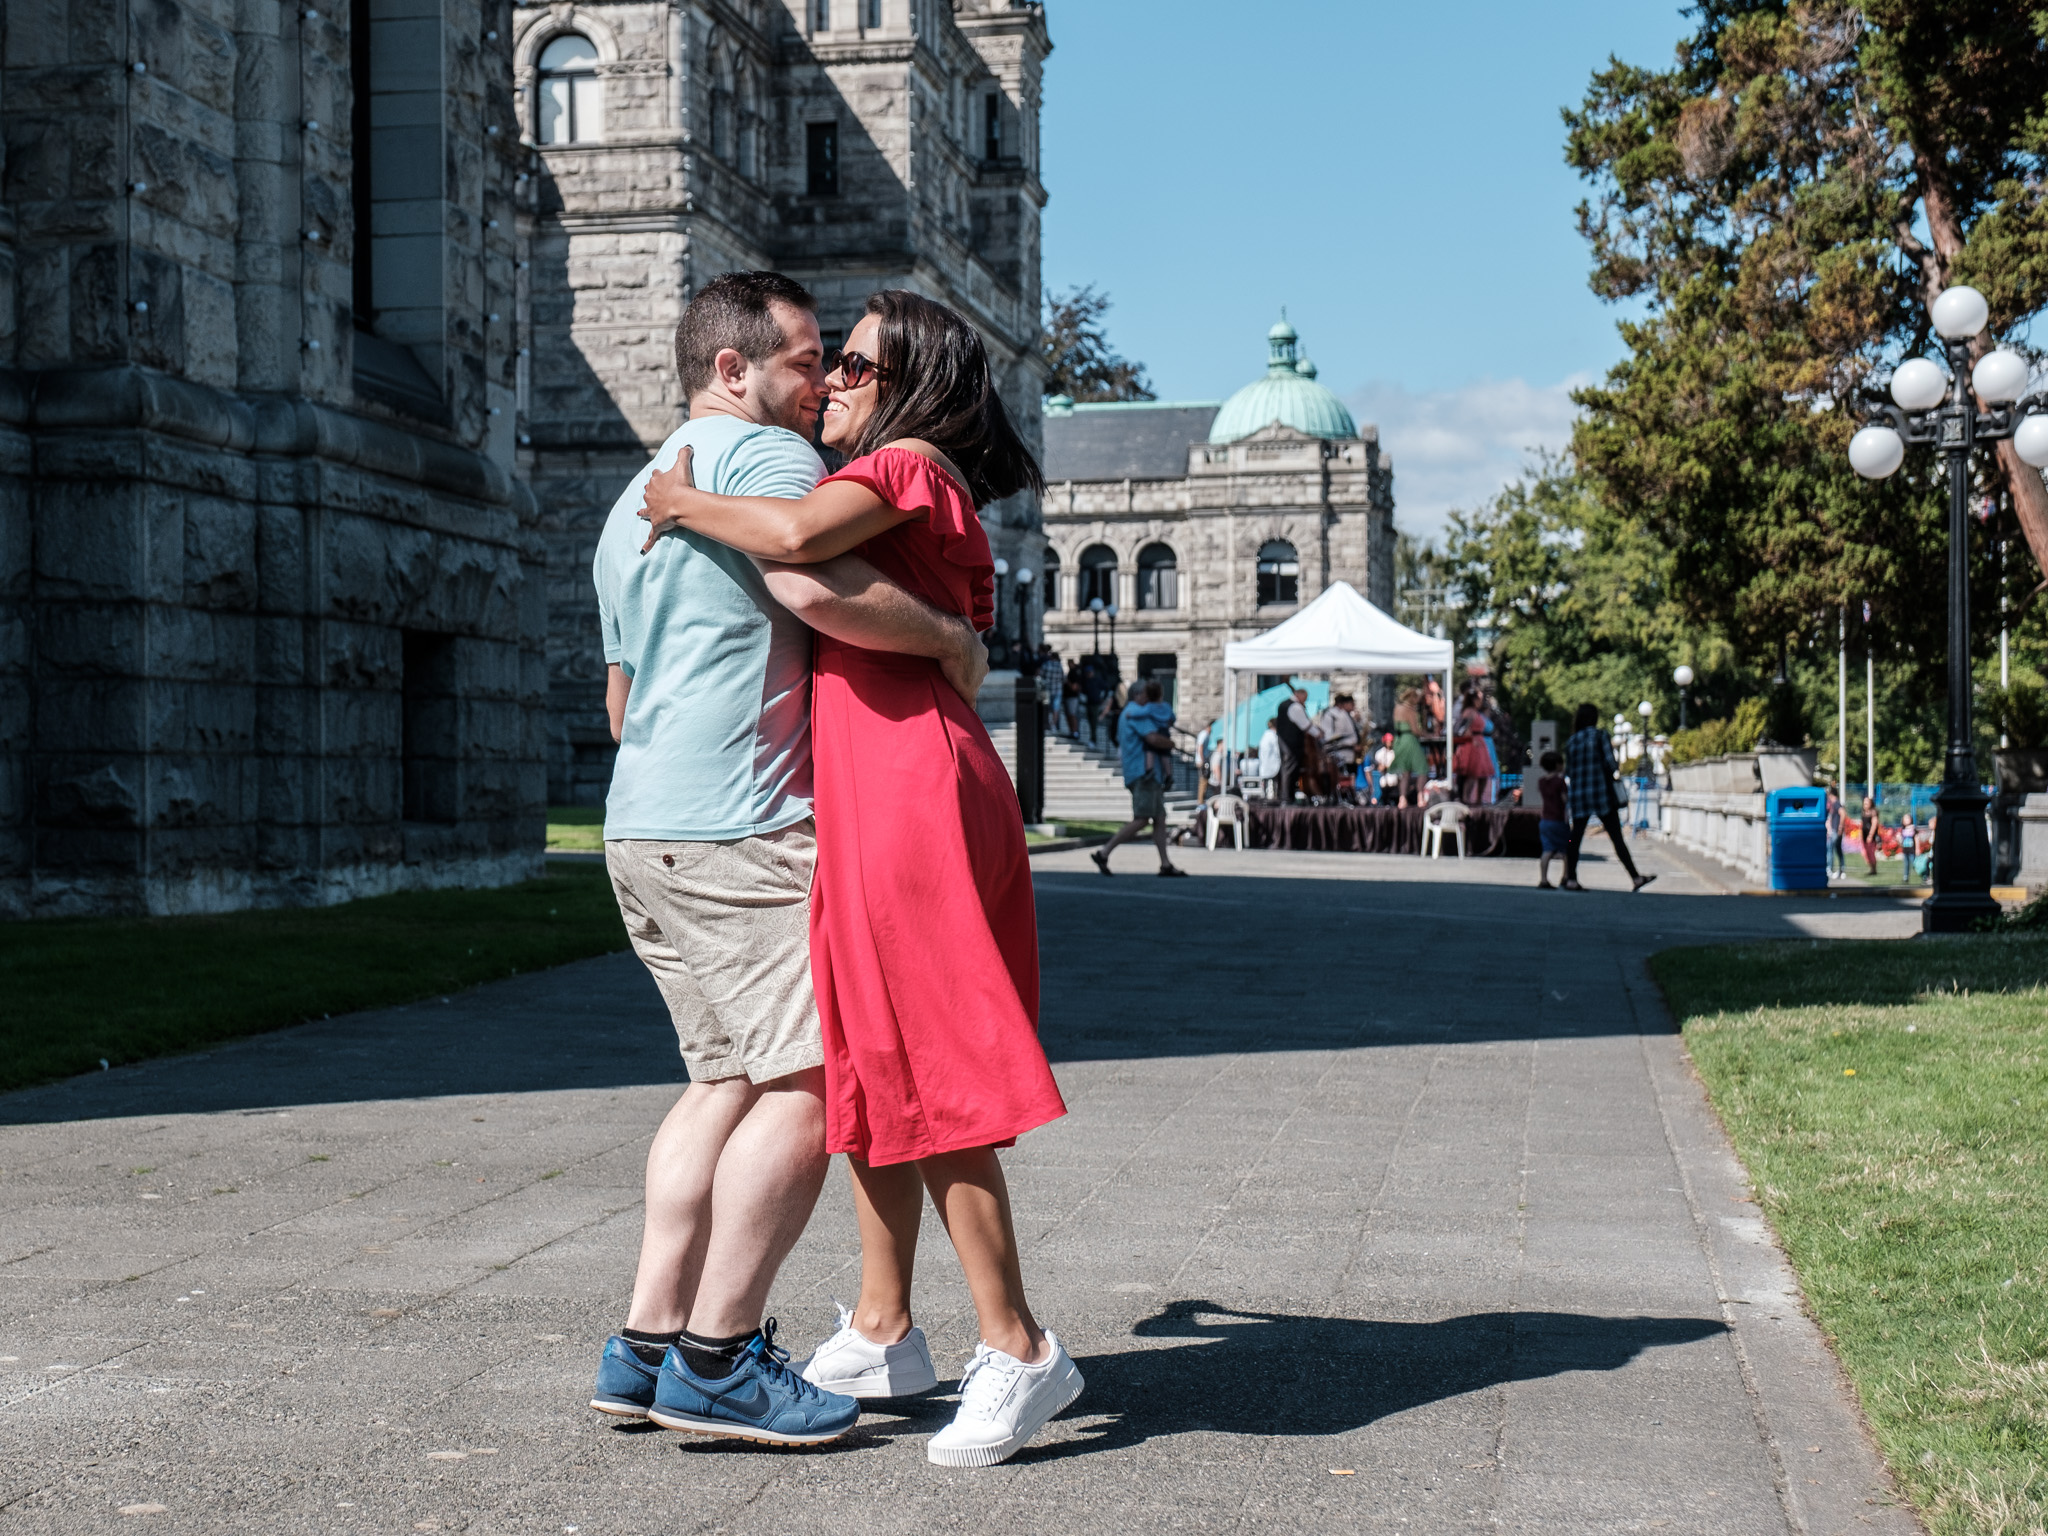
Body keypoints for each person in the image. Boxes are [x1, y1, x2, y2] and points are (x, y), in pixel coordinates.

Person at [635, 287, 1081, 1467]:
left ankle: (1021, 1348)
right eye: (826, 365)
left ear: (909, 387)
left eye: (854, 367)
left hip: (910, 793)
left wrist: (680, 498)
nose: (829, 382)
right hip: (879, 788)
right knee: (875, 1074)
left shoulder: (905, 466)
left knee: (933, 1077)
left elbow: (789, 551)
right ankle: (885, 1326)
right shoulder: (906, 478)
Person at [1092, 680, 1187, 876]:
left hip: (1144, 774)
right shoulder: (1136, 711)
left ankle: (1165, 863)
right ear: (1137, 695)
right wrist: (1170, 743)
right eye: (1146, 693)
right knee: (1143, 818)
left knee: (1159, 818)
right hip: (1144, 775)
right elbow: (1152, 738)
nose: (1149, 697)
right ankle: (1104, 852)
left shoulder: (1133, 711)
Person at [1560, 702, 1656, 893]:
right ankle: (1635, 877)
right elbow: (1612, 765)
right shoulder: (1600, 736)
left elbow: (1568, 771)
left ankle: (1570, 878)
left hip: (1579, 795)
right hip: (1601, 794)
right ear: (1594, 718)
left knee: (1574, 838)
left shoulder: (1571, 742)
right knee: (1616, 837)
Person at [1316, 693, 1364, 799]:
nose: (1353, 706)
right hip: (1340, 752)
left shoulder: (1346, 715)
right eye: (1351, 704)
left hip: (1350, 754)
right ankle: (1339, 797)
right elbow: (1329, 737)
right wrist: (1351, 745)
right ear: (1344, 704)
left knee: (1351, 776)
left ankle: (1350, 796)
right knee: (1341, 778)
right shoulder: (1331, 714)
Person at [1535, 749, 1569, 889]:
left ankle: (1543, 879)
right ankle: (1566, 876)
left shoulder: (1542, 781)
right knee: (1567, 848)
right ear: (1557, 765)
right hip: (1559, 821)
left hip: (1545, 822)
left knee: (1547, 850)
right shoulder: (1560, 782)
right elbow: (1565, 800)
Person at [1275, 686, 1312, 804]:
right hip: (1291, 744)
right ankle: (1287, 797)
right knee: (1290, 768)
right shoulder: (1295, 707)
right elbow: (1305, 725)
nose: (1304, 702)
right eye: (1304, 699)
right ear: (1299, 696)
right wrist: (1319, 733)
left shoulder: (1283, 704)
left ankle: (1286, 796)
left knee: (1287, 768)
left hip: (1284, 742)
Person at [1390, 717, 1429, 807]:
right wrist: (1428, 734)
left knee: (1405, 772)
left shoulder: (1398, 709)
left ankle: (1402, 799)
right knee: (1423, 769)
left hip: (1400, 741)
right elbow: (1415, 729)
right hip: (1410, 740)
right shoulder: (1409, 709)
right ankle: (1420, 797)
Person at [1257, 716, 1282, 801]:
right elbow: (1278, 752)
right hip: (1273, 768)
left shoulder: (1265, 736)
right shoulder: (1273, 737)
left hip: (1266, 768)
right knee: (1272, 794)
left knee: (1267, 791)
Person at [1060, 658, 1084, 738]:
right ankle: (1073, 731)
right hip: (1070, 697)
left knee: (1072, 714)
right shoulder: (1075, 672)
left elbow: (1074, 687)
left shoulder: (1074, 673)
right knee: (1070, 715)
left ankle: (1074, 732)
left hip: (1072, 697)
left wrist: (1067, 681)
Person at [1372, 732, 1398, 805]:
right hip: (1383, 777)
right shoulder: (1380, 753)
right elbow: (1379, 767)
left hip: (1393, 777)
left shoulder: (1395, 752)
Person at [1825, 786, 1845, 879]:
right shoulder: (1834, 804)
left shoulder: (1836, 803)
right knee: (1838, 850)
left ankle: (1829, 868)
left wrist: (1840, 827)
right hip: (1836, 830)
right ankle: (1842, 869)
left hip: (1836, 830)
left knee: (1830, 848)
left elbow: (1843, 813)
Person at [1860, 793, 1880, 876]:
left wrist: (1870, 835)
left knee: (1871, 853)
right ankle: (1871, 868)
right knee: (1865, 853)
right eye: (1864, 803)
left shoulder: (1873, 812)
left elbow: (1874, 824)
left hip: (1870, 836)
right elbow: (1862, 824)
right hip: (1864, 836)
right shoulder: (1864, 812)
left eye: (1867, 803)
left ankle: (1873, 869)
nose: (1865, 805)